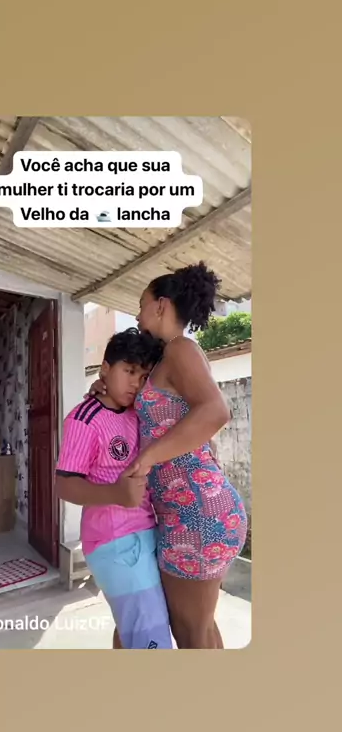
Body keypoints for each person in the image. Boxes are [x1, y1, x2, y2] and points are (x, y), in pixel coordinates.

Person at [89, 262, 247, 649]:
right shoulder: (163, 359)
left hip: (198, 513)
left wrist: (148, 458)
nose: (137, 315)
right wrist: (105, 387)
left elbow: (216, 410)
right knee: (197, 628)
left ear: (160, 305)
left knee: (191, 631)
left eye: (141, 305)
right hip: (185, 511)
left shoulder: (181, 348)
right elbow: (164, 416)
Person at [55, 328, 173, 650]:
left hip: (145, 531)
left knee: (133, 630)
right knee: (151, 636)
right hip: (114, 541)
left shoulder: (136, 412)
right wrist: (116, 495)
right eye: (129, 371)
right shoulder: (83, 419)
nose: (136, 383)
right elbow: (64, 485)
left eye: (143, 376)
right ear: (105, 368)